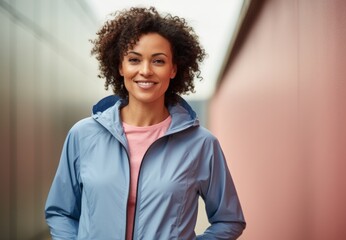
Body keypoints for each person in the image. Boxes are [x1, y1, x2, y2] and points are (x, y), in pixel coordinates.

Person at [45, 6, 246, 240]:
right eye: (134, 59)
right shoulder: (83, 135)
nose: (145, 71)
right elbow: (60, 212)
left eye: (158, 61)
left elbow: (229, 219)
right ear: (120, 66)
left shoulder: (201, 144)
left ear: (173, 69)